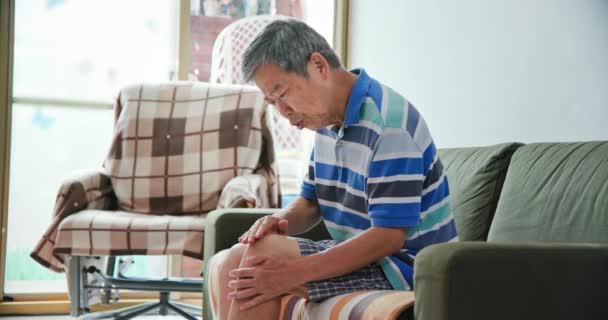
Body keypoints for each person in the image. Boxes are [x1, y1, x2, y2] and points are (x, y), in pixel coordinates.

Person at [215, 19, 457, 320]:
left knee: (258, 263)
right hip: (364, 257)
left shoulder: (389, 126)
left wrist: (294, 273)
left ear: (318, 66)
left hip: (402, 268)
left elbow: (388, 237)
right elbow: (310, 201)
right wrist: (277, 221)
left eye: (284, 93)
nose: (283, 112)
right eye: (272, 102)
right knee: (236, 261)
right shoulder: (326, 121)